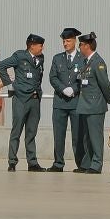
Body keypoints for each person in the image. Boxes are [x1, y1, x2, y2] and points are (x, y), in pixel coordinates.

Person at [0, 34, 45, 171]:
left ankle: (32, 162)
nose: (42, 48)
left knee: (31, 132)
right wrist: (9, 84)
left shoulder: (41, 58)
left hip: (35, 99)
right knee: (16, 131)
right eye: (40, 45)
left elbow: (39, 76)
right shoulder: (19, 56)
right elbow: (1, 66)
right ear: (32, 46)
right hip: (21, 99)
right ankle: (12, 161)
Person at [49, 26, 82, 171]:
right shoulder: (57, 58)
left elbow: (84, 78)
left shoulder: (82, 58)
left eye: (68, 41)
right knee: (58, 135)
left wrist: (74, 89)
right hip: (60, 102)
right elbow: (53, 77)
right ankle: (58, 163)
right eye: (63, 41)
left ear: (74, 41)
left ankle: (81, 164)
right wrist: (63, 89)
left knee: (77, 136)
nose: (65, 44)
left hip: (76, 102)